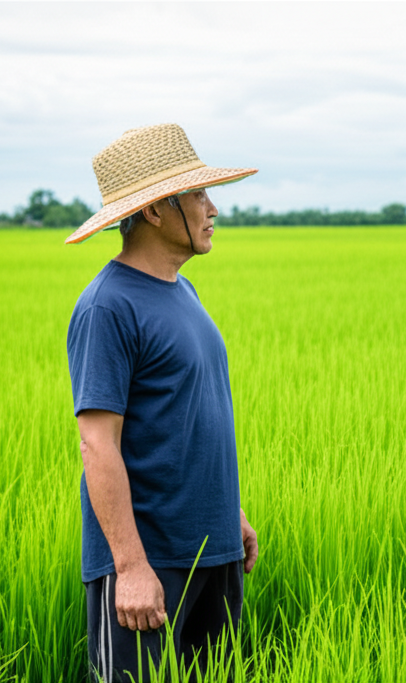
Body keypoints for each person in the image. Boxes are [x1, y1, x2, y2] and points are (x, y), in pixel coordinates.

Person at [65, 123, 259, 681]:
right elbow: (97, 443)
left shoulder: (184, 292)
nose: (213, 208)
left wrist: (229, 514)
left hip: (212, 550)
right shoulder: (108, 307)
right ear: (155, 210)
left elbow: (191, 418)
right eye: (198, 195)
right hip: (150, 563)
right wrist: (129, 567)